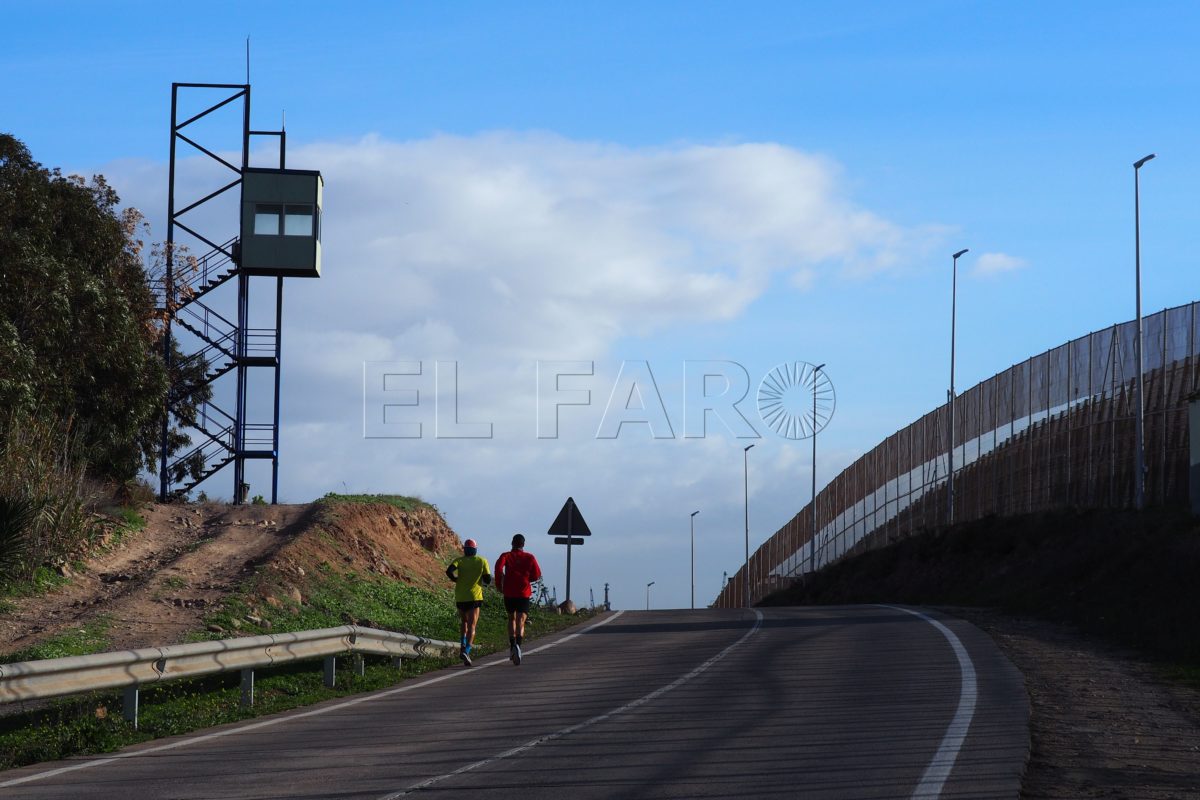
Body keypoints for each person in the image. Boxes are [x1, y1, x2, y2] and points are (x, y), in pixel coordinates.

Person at [494, 533, 542, 666]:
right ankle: (519, 646)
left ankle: (512, 645)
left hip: (509, 592)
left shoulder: (506, 556)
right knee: (521, 620)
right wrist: (527, 579)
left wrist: (499, 583)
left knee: (511, 618)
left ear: (512, 543)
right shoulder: (530, 557)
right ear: (523, 544)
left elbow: (498, 569)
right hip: (523, 593)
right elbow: (537, 574)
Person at [445, 538, 491, 666]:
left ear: (465, 550)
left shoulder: (459, 560)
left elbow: (449, 571)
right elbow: (487, 579)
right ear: (475, 550)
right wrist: (482, 580)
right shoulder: (482, 561)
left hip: (460, 597)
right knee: (472, 625)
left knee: (464, 622)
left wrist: (455, 579)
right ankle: (467, 650)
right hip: (474, 597)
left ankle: (462, 645)